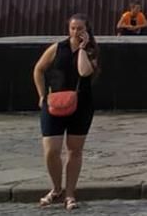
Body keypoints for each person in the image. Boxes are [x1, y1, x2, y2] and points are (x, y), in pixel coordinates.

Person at [32, 14, 99, 211]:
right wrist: (41, 94)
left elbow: (84, 72)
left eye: (80, 28)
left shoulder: (92, 51)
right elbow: (38, 69)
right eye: (73, 28)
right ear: (68, 29)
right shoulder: (56, 48)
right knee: (51, 150)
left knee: (74, 150)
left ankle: (70, 193)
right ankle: (56, 188)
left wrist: (82, 49)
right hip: (54, 103)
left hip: (81, 105)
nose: (76, 32)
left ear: (87, 31)